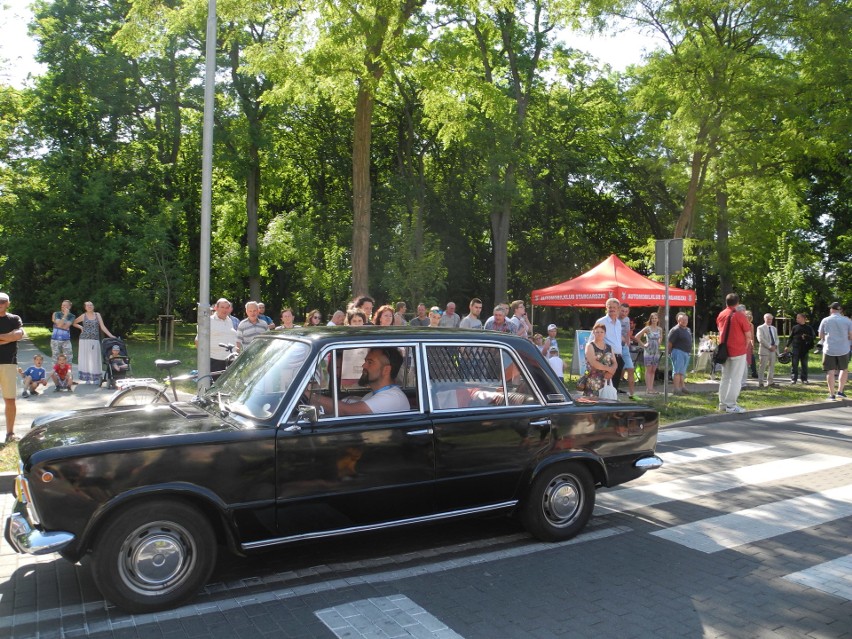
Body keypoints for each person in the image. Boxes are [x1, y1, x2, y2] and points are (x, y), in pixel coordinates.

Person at [312, 348, 409, 415]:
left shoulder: (392, 398)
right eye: (365, 361)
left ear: (386, 370)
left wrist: (309, 396)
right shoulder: (374, 395)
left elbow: (346, 411)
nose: (364, 366)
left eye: (370, 362)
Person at [716, 294, 754, 413]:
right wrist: (745, 346)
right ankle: (731, 405)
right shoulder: (740, 316)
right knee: (736, 379)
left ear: (726, 302)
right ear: (737, 303)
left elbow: (720, 330)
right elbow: (748, 335)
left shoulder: (721, 314)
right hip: (738, 350)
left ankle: (722, 404)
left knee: (725, 377)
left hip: (724, 350)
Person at [71, 301, 116, 384]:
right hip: (84, 340)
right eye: (87, 306)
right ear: (85, 308)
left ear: (93, 306)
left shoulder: (97, 315)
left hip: (94, 340)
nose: (89, 306)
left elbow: (102, 326)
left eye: (91, 305)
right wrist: (81, 327)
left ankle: (95, 378)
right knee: (86, 358)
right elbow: (74, 322)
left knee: (94, 358)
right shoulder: (83, 315)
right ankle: (87, 378)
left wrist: (110, 335)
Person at [0, 292, 24, 443]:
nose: (0, 304)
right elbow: (12, 336)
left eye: (3, 301)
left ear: (8, 303)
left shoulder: (14, 319)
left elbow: (18, 335)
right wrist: (7, 337)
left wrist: (10, 337)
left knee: (10, 400)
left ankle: (10, 434)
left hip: (9, 362)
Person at [817, 302, 852, 401]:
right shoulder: (847, 321)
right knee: (844, 369)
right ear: (840, 310)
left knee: (830, 371)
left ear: (832, 309)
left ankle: (831, 394)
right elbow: (851, 335)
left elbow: (820, 335)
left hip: (829, 349)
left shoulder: (825, 320)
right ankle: (840, 391)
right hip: (844, 349)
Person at [196, 298, 238, 373]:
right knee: (214, 384)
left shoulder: (229, 321)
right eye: (222, 307)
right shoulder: (208, 321)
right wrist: (203, 359)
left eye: (227, 308)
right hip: (215, 360)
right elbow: (198, 341)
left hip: (230, 359)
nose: (224, 310)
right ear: (216, 308)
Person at [595, 298, 624, 389]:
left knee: (614, 385)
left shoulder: (618, 323)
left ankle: (613, 402)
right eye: (609, 307)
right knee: (605, 385)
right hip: (607, 357)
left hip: (618, 357)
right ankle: (605, 402)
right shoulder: (601, 322)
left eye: (614, 307)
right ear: (606, 308)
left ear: (618, 309)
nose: (612, 309)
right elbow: (592, 340)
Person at [583, 322, 617, 397]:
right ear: (593, 333)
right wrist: (608, 369)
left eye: (602, 332)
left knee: (607, 402)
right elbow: (593, 362)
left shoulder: (609, 347)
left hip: (606, 380)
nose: (599, 334)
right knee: (593, 403)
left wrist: (611, 372)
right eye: (597, 332)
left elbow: (614, 362)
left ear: (605, 333)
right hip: (593, 380)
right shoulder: (590, 346)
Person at [635, 313, 662, 394]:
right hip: (648, 351)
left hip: (656, 351)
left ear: (658, 319)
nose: (654, 320)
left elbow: (660, 338)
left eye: (655, 318)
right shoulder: (647, 328)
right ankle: (648, 388)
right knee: (649, 369)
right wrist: (643, 345)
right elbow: (637, 336)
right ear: (650, 319)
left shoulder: (659, 329)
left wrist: (658, 343)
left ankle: (651, 388)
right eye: (652, 318)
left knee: (653, 370)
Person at [785, 312, 815, 384]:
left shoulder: (809, 328)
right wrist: (787, 346)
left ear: (803, 318)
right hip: (795, 348)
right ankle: (793, 379)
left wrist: (806, 337)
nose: (796, 319)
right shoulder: (795, 327)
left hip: (805, 348)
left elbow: (813, 337)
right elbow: (791, 337)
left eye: (798, 317)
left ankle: (804, 379)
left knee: (804, 364)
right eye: (797, 317)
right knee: (794, 364)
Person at [667, 312, 693, 396]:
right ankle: (676, 389)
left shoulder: (688, 329)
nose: (685, 321)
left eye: (686, 319)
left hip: (686, 353)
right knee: (677, 371)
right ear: (678, 320)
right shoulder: (675, 330)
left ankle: (682, 387)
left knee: (682, 371)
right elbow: (669, 343)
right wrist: (669, 352)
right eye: (683, 319)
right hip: (678, 352)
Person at [756, 313, 780, 387]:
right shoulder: (760, 328)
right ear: (764, 319)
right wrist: (769, 346)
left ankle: (770, 382)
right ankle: (760, 382)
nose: (769, 320)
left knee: (771, 367)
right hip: (764, 350)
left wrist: (775, 345)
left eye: (771, 319)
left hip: (773, 350)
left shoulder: (774, 328)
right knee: (762, 366)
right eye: (768, 319)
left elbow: (777, 338)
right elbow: (760, 339)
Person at [619, 303, 637, 398]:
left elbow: (627, 332)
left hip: (624, 347)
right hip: (615, 347)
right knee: (615, 370)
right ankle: (612, 391)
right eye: (622, 311)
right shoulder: (614, 319)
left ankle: (632, 394)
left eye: (626, 311)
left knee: (631, 368)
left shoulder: (627, 319)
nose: (624, 313)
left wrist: (628, 342)